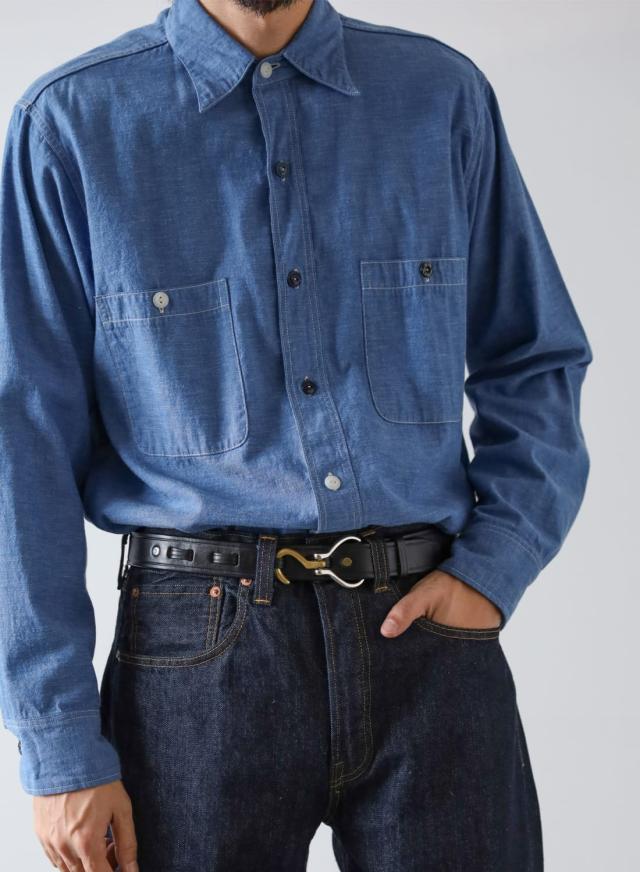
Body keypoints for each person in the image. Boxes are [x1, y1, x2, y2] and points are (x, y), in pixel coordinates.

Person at [0, 0, 592, 868]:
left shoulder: (439, 96)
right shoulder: (73, 124)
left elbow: (535, 358)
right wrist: (58, 746)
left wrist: (494, 565)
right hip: (194, 658)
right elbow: (21, 444)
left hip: (429, 645)